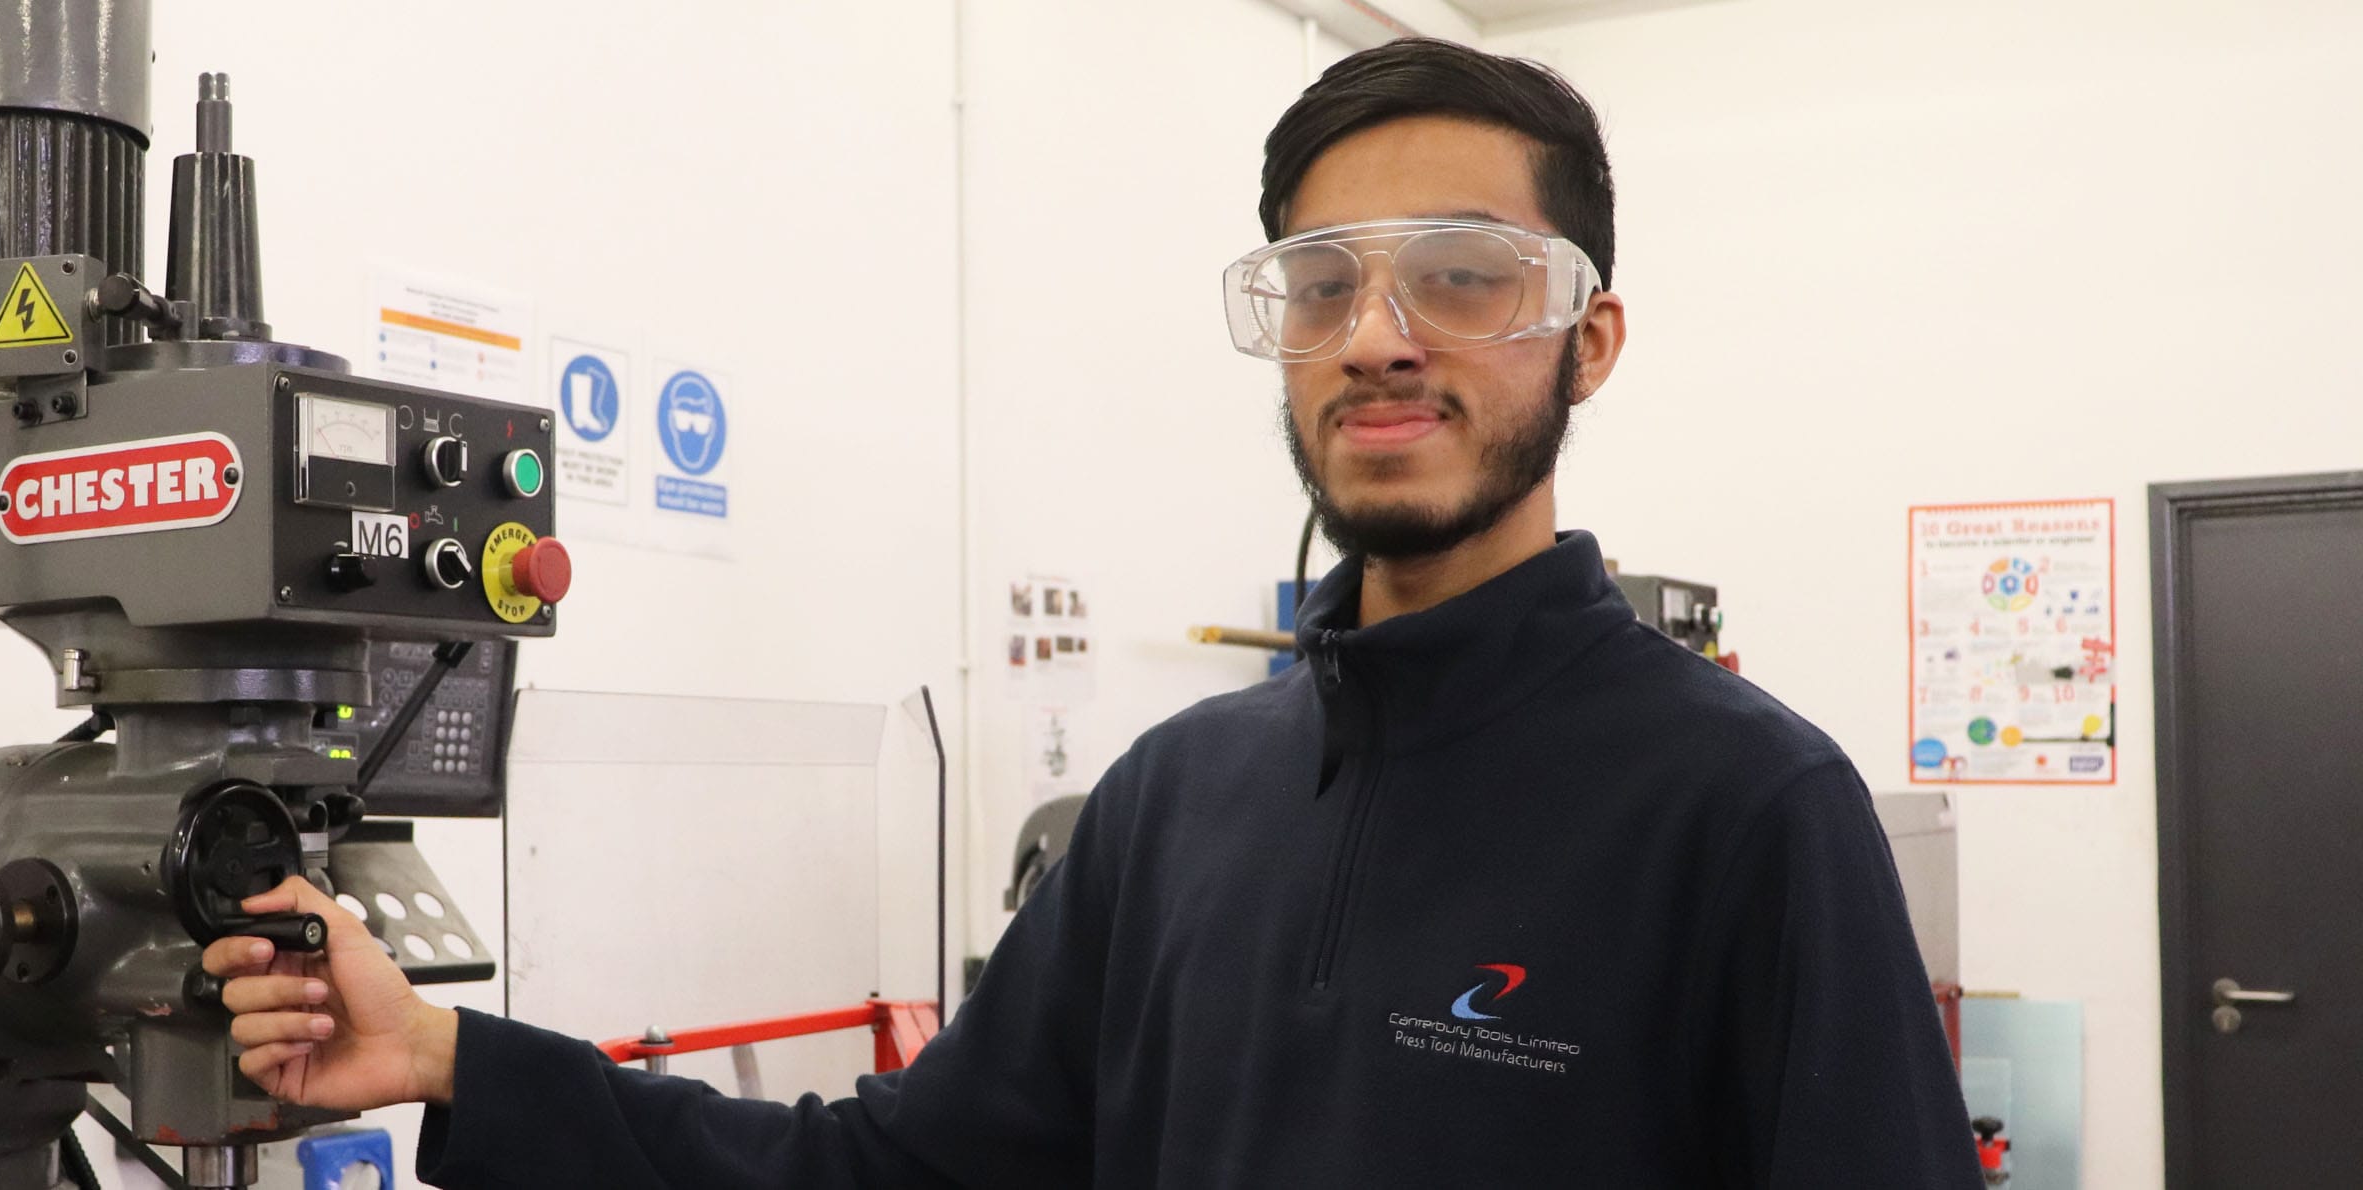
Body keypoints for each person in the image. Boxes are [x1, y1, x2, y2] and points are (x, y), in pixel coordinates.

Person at [204, 37, 1977, 1188]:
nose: (1378, 331)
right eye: (1323, 281)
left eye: (1461, 276)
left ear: (1588, 339)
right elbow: (896, 1172)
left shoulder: (1749, 811)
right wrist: (445, 1056)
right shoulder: (1177, 799)